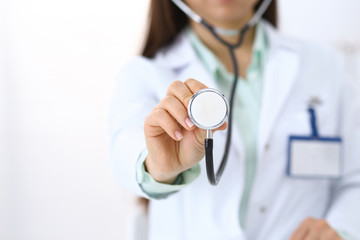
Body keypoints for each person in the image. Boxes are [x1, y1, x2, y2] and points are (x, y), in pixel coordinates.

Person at [109, 0, 360, 239]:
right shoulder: (144, 74)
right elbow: (125, 154)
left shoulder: (324, 66)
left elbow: (355, 178)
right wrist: (158, 165)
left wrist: (341, 230)